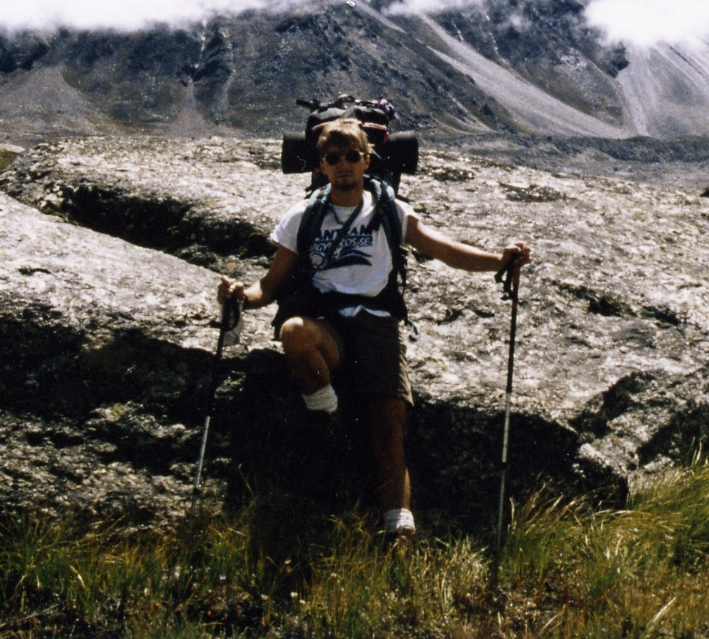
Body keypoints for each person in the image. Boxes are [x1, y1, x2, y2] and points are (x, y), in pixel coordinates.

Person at [216, 119, 532, 540]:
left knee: (389, 426)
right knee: (294, 331)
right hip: (326, 322)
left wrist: (498, 260)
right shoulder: (303, 215)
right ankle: (327, 419)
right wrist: (241, 297)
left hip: (378, 324)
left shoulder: (388, 210)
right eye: (333, 158)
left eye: (351, 156)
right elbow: (271, 285)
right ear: (321, 167)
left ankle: (397, 527)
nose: (343, 165)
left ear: (367, 160)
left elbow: (442, 249)